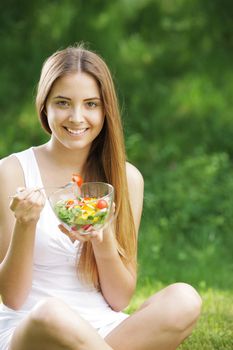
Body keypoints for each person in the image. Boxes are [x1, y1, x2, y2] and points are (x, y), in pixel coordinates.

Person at [0, 44, 202, 350]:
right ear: (45, 106)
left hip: (105, 329)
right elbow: (12, 298)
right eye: (64, 103)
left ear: (105, 109)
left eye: (91, 104)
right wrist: (26, 225)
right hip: (33, 328)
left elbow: (120, 299)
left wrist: (103, 240)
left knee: (185, 299)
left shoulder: (126, 178)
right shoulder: (11, 172)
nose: (77, 117)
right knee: (51, 313)